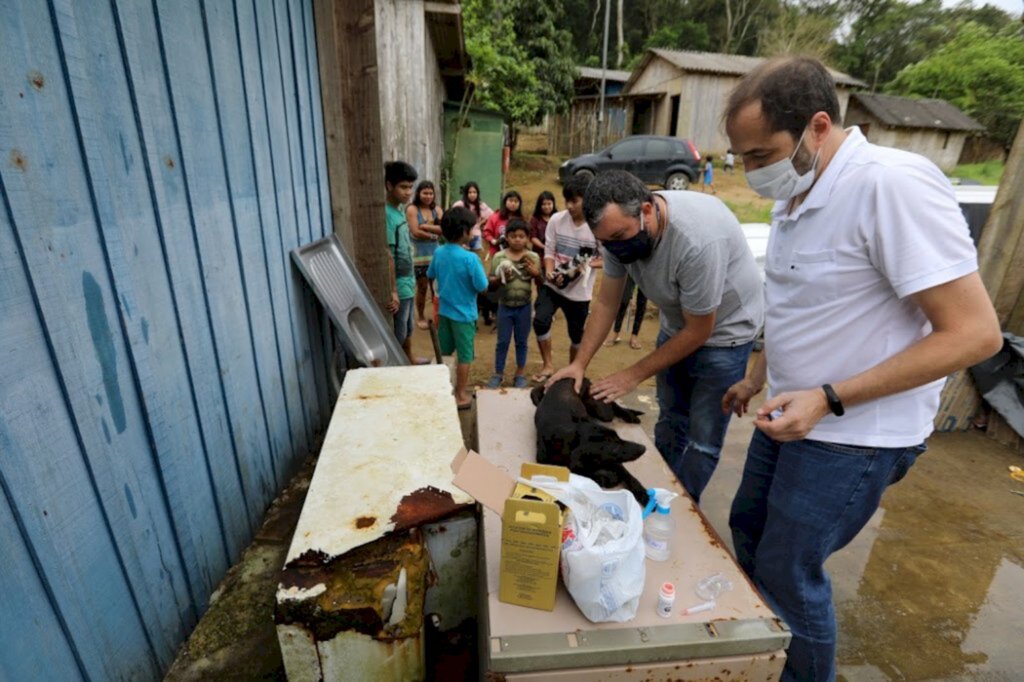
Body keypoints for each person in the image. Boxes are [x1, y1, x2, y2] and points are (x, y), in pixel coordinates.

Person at [721, 56, 1001, 681]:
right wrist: (757, 375)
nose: (751, 172)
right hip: (794, 416)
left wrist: (829, 396)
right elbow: (798, 304)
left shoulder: (890, 185)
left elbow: (975, 334)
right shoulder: (800, 192)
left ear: (818, 126)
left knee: (790, 572)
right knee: (748, 532)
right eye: (742, 156)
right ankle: (768, 657)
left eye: (761, 155)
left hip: (852, 437)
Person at [546, 169, 764, 504]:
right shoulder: (618, 238)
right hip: (678, 324)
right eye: (607, 243)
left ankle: (680, 510)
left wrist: (632, 374)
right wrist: (579, 364)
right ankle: (659, 492)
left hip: (726, 335)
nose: (616, 248)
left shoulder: (697, 241)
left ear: (647, 210)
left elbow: (700, 330)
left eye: (620, 236)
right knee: (671, 419)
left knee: (702, 440)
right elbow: (606, 301)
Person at [532, 174, 602, 382]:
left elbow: (607, 259)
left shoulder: (597, 226)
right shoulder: (556, 219)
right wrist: (552, 273)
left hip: (580, 293)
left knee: (576, 335)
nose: (569, 206)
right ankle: (548, 365)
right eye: (567, 200)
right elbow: (549, 251)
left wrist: (584, 265)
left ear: (587, 200)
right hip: (553, 286)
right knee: (540, 321)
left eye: (575, 201)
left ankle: (573, 370)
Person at [427, 206, 489, 409]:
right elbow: (482, 286)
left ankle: (442, 389)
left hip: (444, 312)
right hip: (465, 316)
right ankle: (460, 394)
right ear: (464, 232)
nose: (473, 233)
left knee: (444, 352)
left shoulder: (439, 252)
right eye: (472, 229)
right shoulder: (471, 258)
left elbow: (431, 274)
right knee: (464, 356)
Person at [486, 219, 542, 389]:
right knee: (502, 341)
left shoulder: (533, 257)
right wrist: (501, 279)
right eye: (513, 236)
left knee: (521, 342)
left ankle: (519, 374)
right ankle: (498, 373)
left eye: (521, 236)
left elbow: (541, 282)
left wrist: (536, 274)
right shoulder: (499, 257)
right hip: (504, 306)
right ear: (506, 238)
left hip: (524, 306)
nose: (517, 239)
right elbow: (490, 281)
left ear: (527, 238)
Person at [384, 161, 419, 362]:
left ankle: (409, 360)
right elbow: (387, 253)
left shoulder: (399, 211)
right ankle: (396, 367)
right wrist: (393, 290)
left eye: (410, 187)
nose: (408, 192)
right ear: (389, 185)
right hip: (400, 285)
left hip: (409, 281)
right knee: (398, 333)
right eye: (403, 187)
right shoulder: (387, 214)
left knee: (409, 328)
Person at [407, 180, 443, 330]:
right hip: (419, 257)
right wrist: (433, 234)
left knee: (437, 287)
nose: (428, 196)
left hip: (435, 255)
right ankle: (420, 315)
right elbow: (415, 232)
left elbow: (444, 229)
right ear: (418, 193)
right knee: (422, 287)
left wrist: (425, 227)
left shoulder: (438, 210)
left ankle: (437, 315)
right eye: (425, 193)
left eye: (430, 193)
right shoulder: (412, 209)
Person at [604, 276, 647, 350]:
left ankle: (634, 336)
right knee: (624, 299)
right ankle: (616, 332)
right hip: (631, 267)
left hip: (646, 271)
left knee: (642, 302)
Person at [451, 181, 492, 254]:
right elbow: (452, 217)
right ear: (466, 193)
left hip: (476, 236)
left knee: (476, 258)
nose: (472, 194)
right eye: (470, 192)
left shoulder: (481, 205)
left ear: (477, 193)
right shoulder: (459, 205)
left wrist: (482, 223)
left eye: (474, 192)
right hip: (462, 237)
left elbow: (492, 215)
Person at [483, 190, 525, 259]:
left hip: (516, 254)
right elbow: (486, 232)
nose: (513, 204)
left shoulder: (522, 219)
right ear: (505, 202)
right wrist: (493, 241)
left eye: (516, 201)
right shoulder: (495, 217)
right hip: (497, 254)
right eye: (511, 201)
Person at [529, 191, 557, 259]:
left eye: (549, 204)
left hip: (555, 255)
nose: (547, 207)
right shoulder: (535, 219)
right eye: (544, 204)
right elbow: (533, 237)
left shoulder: (557, 218)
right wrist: (545, 248)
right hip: (538, 256)